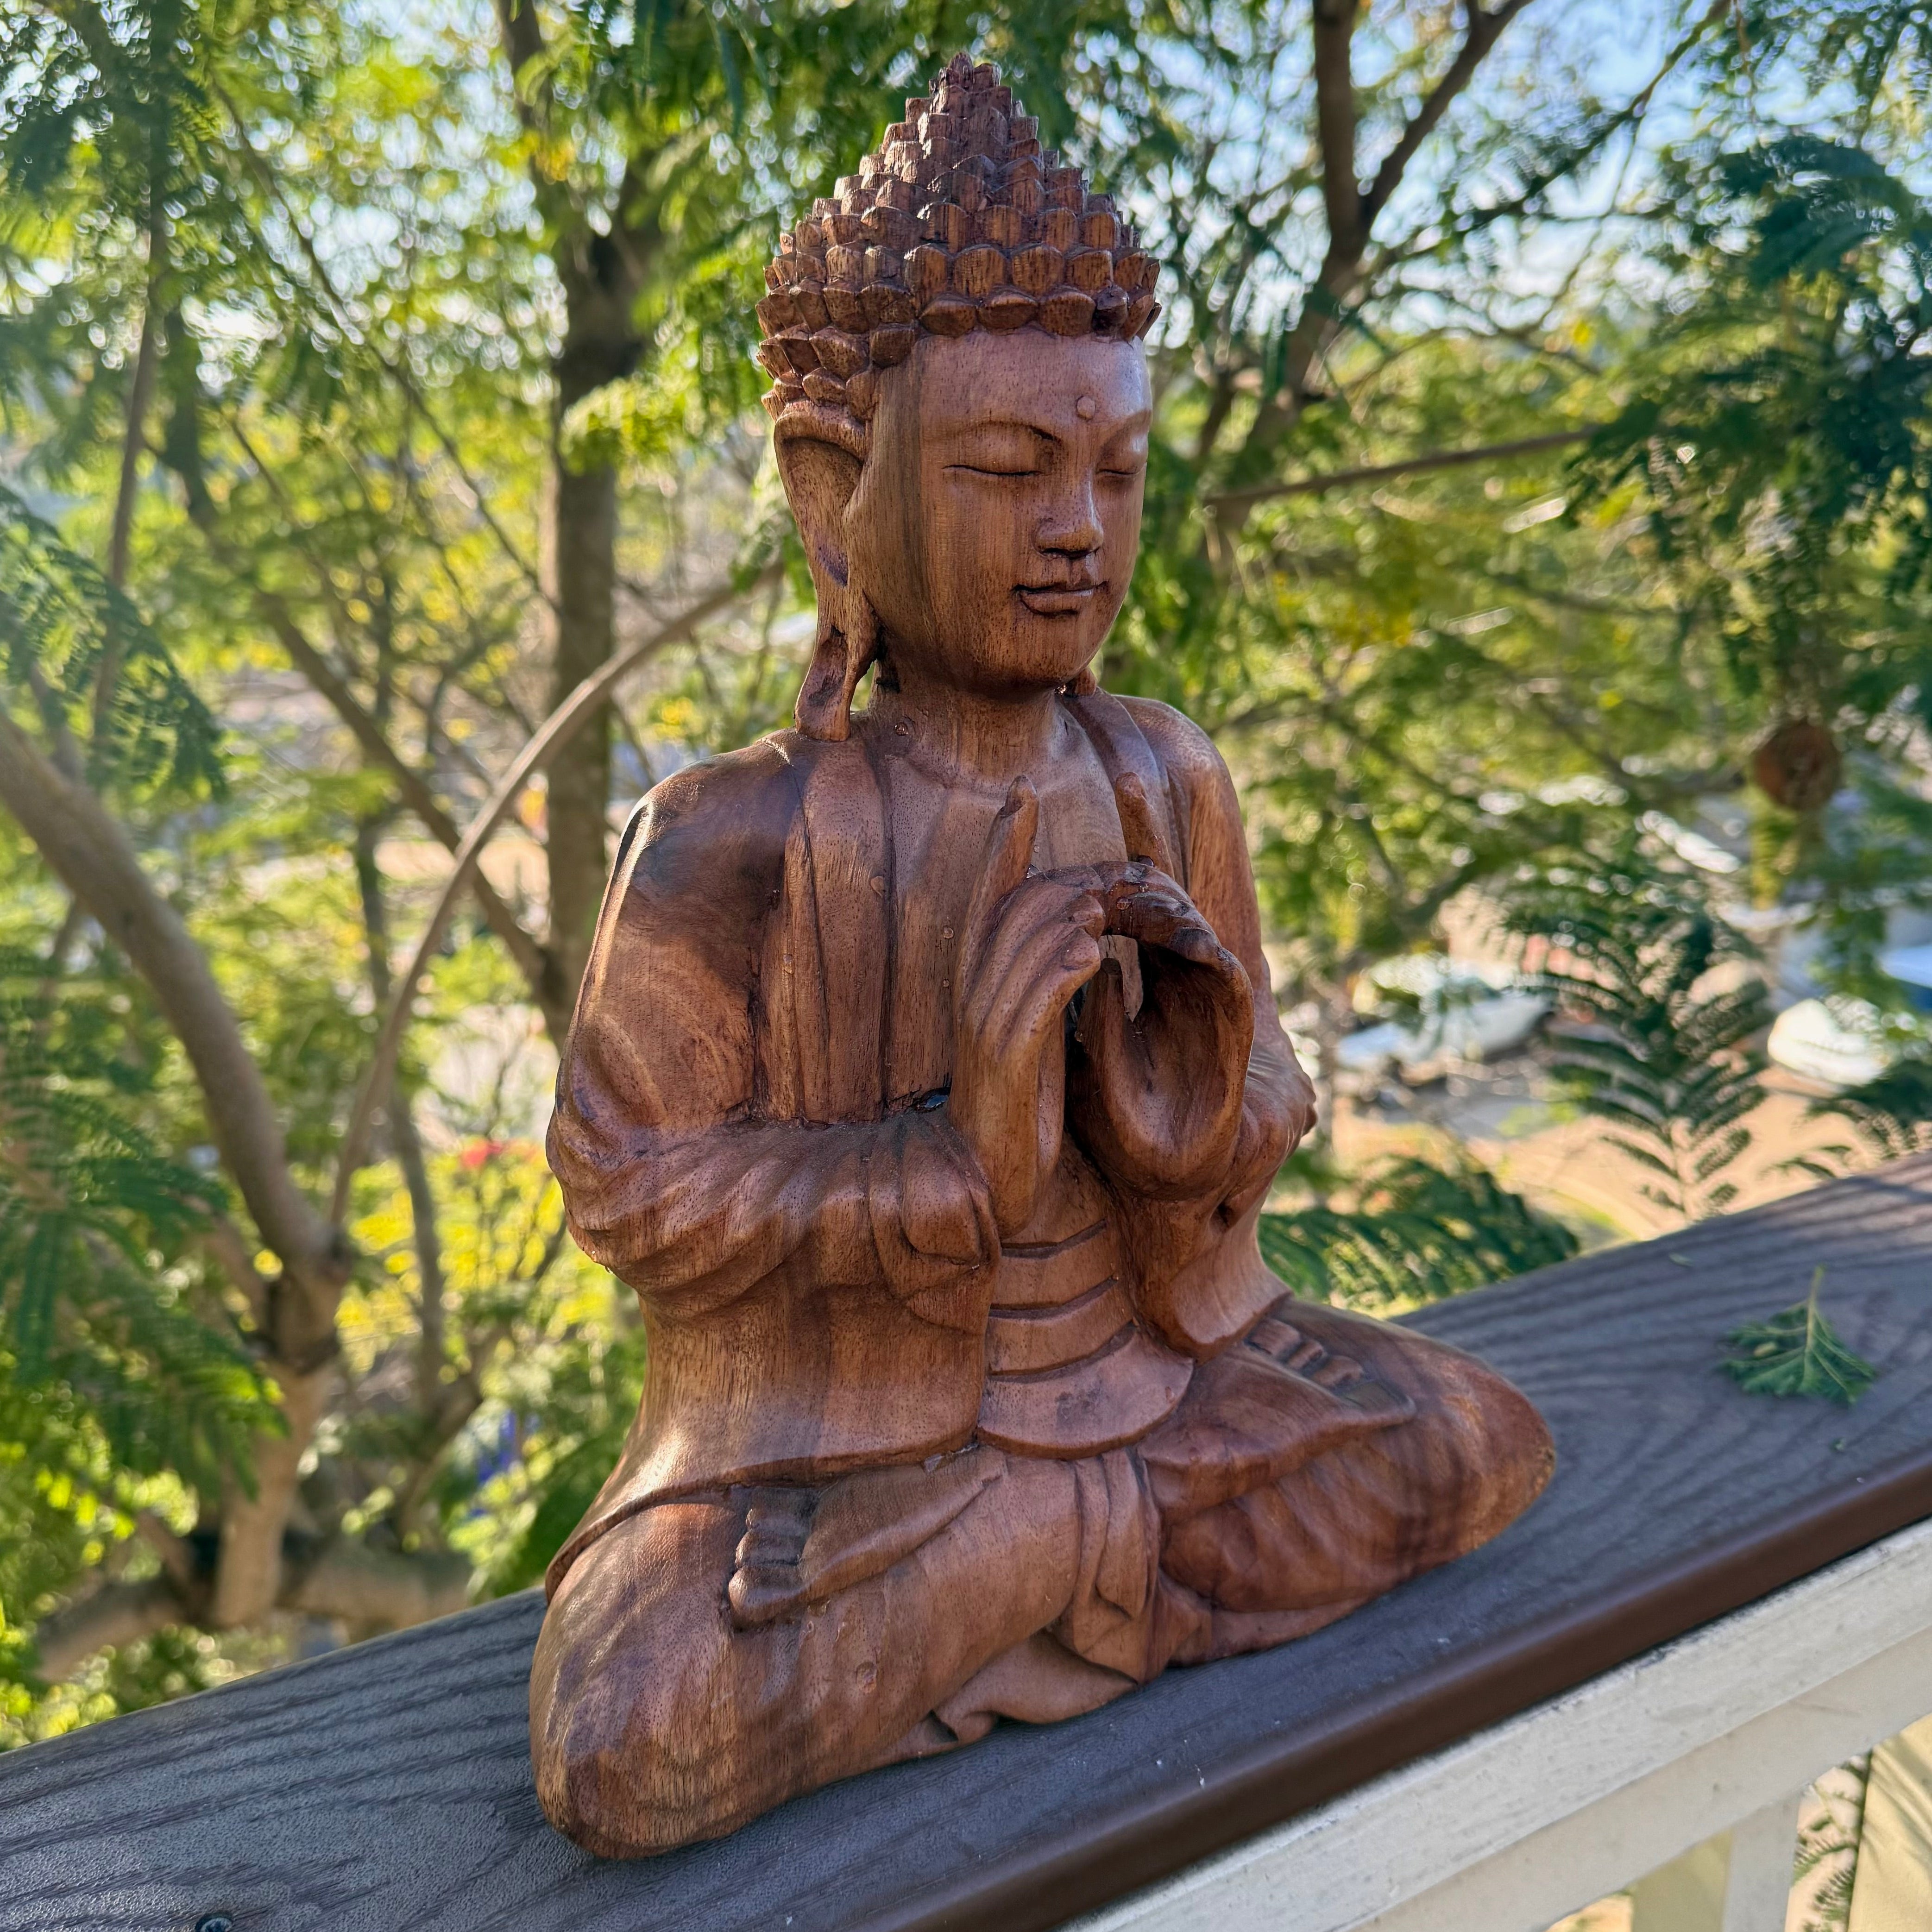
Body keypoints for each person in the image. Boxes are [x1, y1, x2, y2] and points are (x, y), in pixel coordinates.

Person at [530, 53, 1553, 1858]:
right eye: (1012, 468)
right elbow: (624, 1184)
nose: (1078, 524)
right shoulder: (732, 837)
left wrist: (1174, 1097)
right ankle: (1076, 1559)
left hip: (1167, 1384)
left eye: (1116, 469)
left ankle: (1055, 1561)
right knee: (638, 1733)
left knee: (1471, 1445)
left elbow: (1265, 1089)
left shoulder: (1163, 775)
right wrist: (953, 1155)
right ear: (832, 492)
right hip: (843, 1466)